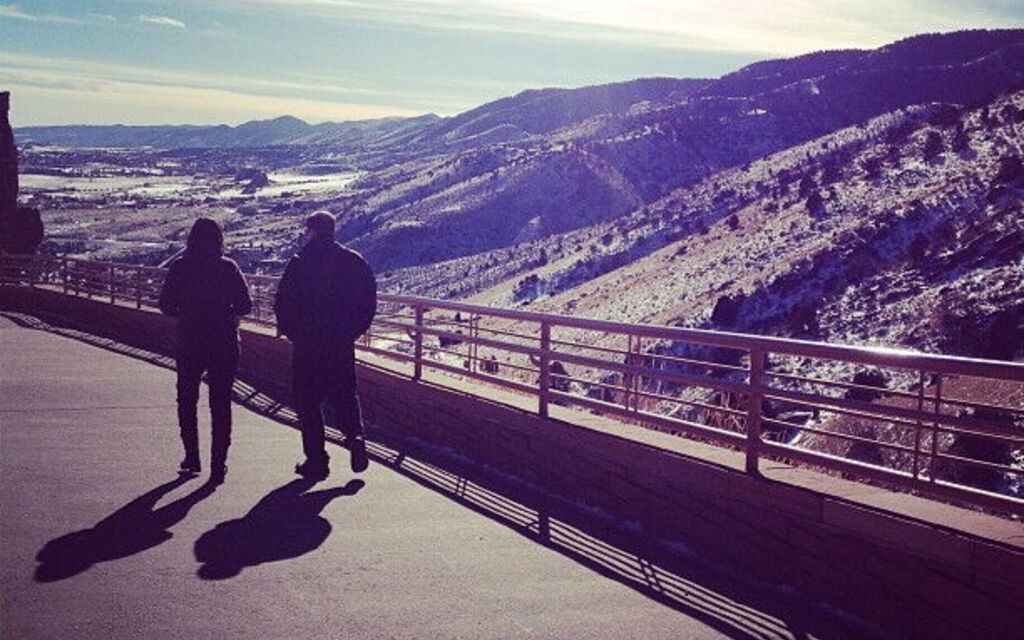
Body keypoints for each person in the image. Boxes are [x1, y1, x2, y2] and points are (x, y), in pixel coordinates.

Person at [274, 211, 376, 480]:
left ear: (312, 231)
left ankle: (317, 461)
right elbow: (368, 300)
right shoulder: (352, 260)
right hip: (340, 342)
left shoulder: (300, 262)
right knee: (345, 394)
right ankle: (355, 437)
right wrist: (352, 331)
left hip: (308, 344)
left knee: (308, 402)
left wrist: (293, 332)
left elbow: (282, 301)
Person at [159, 218, 252, 482]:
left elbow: (166, 305)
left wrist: (187, 312)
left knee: (187, 399)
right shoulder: (228, 267)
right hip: (223, 341)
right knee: (220, 403)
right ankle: (218, 464)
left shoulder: (181, 267)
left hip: (190, 340)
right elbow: (245, 306)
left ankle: (192, 458)